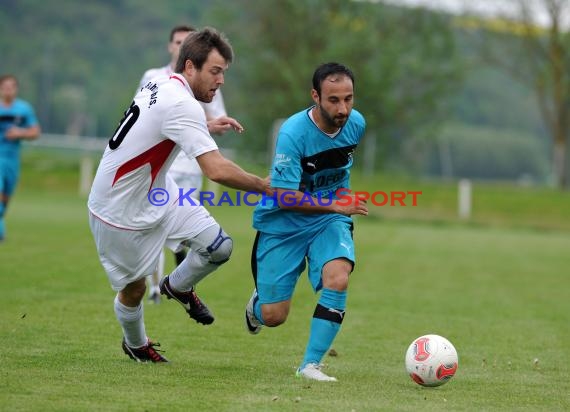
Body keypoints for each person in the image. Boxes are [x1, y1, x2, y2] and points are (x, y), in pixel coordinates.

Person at [88, 27, 270, 362]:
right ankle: (136, 344)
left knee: (219, 247)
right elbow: (215, 169)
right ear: (190, 67)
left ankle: (178, 286)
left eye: (224, 73)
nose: (221, 81)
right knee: (135, 289)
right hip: (119, 211)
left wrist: (204, 126)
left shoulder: (161, 84)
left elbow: (156, 122)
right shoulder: (181, 104)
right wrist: (263, 185)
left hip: (159, 193)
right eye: (215, 72)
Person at [245, 62, 368, 381]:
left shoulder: (356, 124)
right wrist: (335, 206)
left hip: (328, 219)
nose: (343, 108)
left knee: (338, 277)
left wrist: (337, 205)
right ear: (315, 96)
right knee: (274, 316)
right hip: (283, 223)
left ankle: (310, 365)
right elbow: (285, 196)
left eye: (348, 98)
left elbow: (339, 169)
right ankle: (256, 307)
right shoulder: (293, 133)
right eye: (333, 100)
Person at [139, 25, 241, 307]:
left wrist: (208, 120)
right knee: (155, 228)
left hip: (192, 168)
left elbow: (215, 119)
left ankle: (176, 279)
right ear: (173, 48)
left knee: (186, 235)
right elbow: (146, 117)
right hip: (164, 168)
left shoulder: (207, 81)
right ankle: (157, 289)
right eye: (178, 41)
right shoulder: (153, 78)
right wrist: (262, 186)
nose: (219, 78)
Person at [0, 75, 41, 242]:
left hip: (12, 161)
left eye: (12, 86)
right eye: (5, 86)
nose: (8, 89)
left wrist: (20, 133)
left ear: (16, 89)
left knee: (6, 198)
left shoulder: (24, 109)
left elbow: (35, 132)